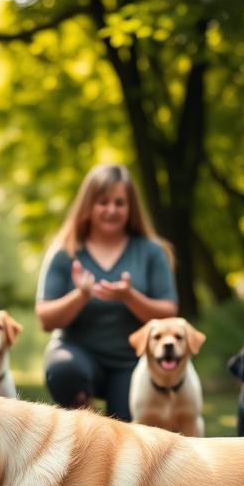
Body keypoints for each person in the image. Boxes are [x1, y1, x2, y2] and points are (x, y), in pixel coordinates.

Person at [35, 164, 178, 420]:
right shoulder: (64, 252)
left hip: (130, 362)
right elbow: (46, 319)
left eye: (119, 203)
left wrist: (130, 297)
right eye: (103, 202)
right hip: (77, 354)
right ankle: (86, 423)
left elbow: (169, 313)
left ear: (130, 208)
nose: (111, 210)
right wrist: (80, 295)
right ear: (89, 205)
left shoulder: (152, 252)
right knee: (64, 371)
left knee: (125, 433)